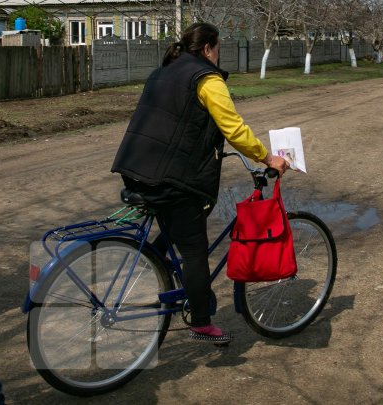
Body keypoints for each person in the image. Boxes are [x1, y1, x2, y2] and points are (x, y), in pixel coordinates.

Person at [111, 23, 289, 343]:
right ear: (208, 49)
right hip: (169, 177)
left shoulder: (163, 71)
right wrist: (267, 158)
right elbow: (233, 129)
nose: (219, 54)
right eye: (218, 48)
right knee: (194, 250)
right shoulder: (206, 78)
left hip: (136, 168)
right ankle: (202, 323)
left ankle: (160, 264)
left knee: (178, 223)